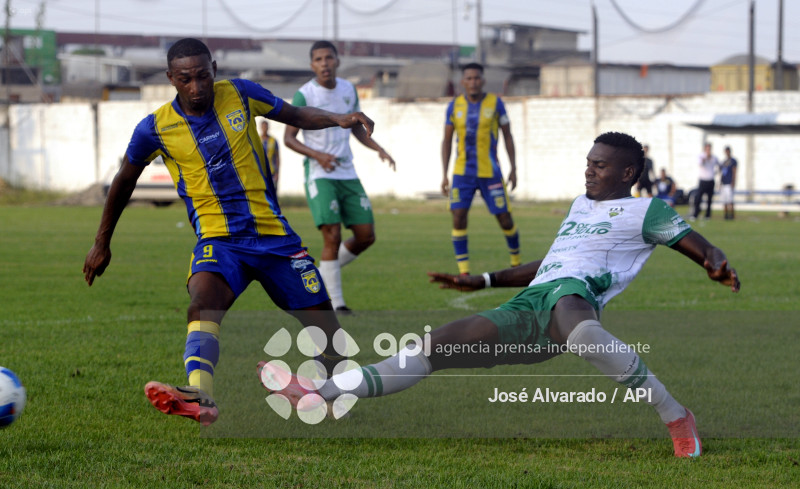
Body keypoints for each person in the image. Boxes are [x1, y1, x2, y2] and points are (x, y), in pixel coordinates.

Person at [262, 131, 741, 458]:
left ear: (627, 172)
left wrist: (715, 264)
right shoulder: (580, 205)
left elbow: (700, 245)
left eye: (600, 166)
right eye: (588, 164)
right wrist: (483, 280)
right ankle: (319, 392)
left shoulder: (648, 210)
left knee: (579, 324)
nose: (589, 172)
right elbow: (552, 264)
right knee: (434, 348)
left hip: (575, 300)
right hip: (532, 302)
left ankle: (676, 417)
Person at [82, 38, 374, 426]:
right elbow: (124, 180)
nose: (197, 87)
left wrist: (337, 119)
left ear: (214, 69)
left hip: (276, 240)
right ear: (172, 79)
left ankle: (325, 391)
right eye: (185, 79)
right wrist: (102, 241)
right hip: (219, 242)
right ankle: (199, 394)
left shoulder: (241, 93)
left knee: (330, 338)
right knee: (202, 303)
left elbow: (296, 115)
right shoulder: (154, 128)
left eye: (203, 76)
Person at [284, 40, 396, 315]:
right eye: (319, 59)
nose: (324, 63)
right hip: (320, 174)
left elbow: (356, 129)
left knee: (366, 235)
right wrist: (318, 156)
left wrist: (378, 147)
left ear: (337, 61)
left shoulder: (348, 89)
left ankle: (324, 272)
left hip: (348, 173)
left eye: (328, 58)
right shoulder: (304, 95)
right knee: (331, 236)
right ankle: (336, 303)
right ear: (312, 65)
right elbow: (288, 138)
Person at [441, 62, 520, 275]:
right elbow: (447, 141)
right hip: (462, 173)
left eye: (477, 78)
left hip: (490, 172)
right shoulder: (454, 106)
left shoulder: (496, 103)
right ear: (463, 82)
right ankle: (464, 272)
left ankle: (516, 263)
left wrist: (513, 168)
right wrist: (444, 175)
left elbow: (508, 136)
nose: (473, 82)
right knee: (458, 217)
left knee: (504, 218)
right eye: (469, 78)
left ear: (483, 81)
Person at [691, 142, 720, 221]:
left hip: (710, 180)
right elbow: (700, 164)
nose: (708, 150)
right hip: (703, 180)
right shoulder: (701, 156)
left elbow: (719, 167)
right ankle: (696, 214)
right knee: (698, 198)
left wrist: (715, 174)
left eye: (709, 149)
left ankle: (708, 215)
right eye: (707, 149)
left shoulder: (714, 157)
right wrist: (705, 158)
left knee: (709, 199)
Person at [259, 119, 280, 192]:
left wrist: (278, 173)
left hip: (272, 172)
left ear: (268, 128)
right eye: (263, 127)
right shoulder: (257, 140)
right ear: (261, 128)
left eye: (266, 127)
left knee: (273, 192)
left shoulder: (273, 140)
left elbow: (277, 157)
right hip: (260, 172)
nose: (264, 128)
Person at [720, 146, 738, 220]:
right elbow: (722, 173)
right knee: (725, 200)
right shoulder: (724, 162)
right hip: (724, 182)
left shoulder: (733, 161)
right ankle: (726, 215)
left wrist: (733, 181)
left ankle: (732, 215)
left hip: (729, 182)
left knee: (730, 200)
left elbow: (734, 171)